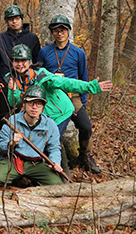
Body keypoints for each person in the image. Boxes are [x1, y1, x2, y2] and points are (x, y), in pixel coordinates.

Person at [37, 15, 101, 173]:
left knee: (85, 125)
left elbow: (83, 78)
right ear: (52, 33)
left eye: (63, 30)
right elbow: (38, 75)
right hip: (53, 96)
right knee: (49, 128)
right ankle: (44, 158)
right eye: (56, 31)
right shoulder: (44, 52)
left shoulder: (78, 53)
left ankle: (86, 156)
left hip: (73, 97)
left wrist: (83, 102)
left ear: (69, 31)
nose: (60, 33)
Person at [7, 44, 112, 137]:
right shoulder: (12, 79)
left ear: (29, 61)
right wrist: (13, 91)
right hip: (38, 115)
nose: (20, 64)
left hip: (59, 113)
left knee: (52, 142)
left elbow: (66, 83)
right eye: (17, 61)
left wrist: (91, 86)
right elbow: (14, 105)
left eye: (23, 61)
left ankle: (60, 159)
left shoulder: (41, 75)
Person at [0, 85, 64, 187]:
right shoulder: (12, 121)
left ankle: (30, 181)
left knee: (56, 185)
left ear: (43, 107)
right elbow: (1, 147)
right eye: (31, 103)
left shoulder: (50, 124)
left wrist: (55, 162)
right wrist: (11, 143)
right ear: (24, 104)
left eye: (38, 104)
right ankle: (18, 182)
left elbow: (54, 147)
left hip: (37, 163)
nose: (34, 107)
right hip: (15, 160)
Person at [0, 5, 41, 129]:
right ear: (6, 21)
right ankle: (4, 145)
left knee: (28, 115)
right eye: (11, 19)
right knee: (5, 117)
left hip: (28, 84)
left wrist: (34, 81)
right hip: (6, 85)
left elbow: (38, 61)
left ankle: (27, 144)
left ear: (22, 19)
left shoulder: (32, 38)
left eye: (17, 18)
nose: (14, 21)